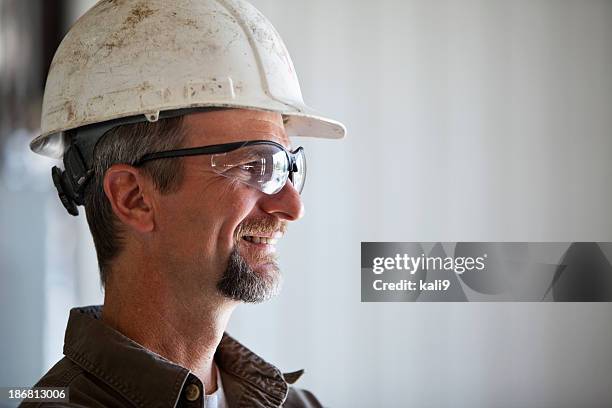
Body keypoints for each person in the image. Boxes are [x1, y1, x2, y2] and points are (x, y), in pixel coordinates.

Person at [23, 0, 345, 407]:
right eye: (254, 165)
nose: (292, 206)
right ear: (134, 197)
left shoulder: (297, 404)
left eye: (286, 167)